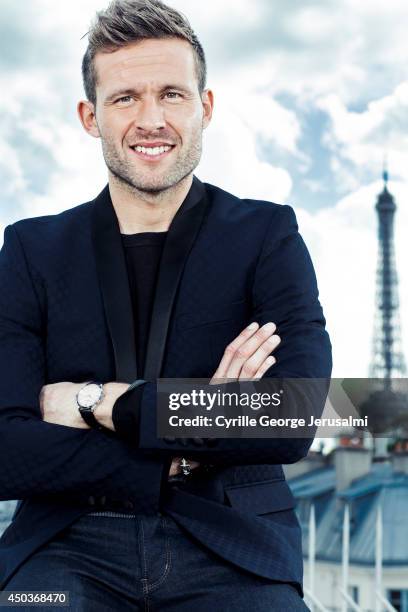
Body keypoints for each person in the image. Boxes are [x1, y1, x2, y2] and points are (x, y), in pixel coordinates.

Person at [0, 0, 332, 609]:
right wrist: (185, 437)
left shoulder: (267, 235)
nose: (151, 119)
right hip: (65, 546)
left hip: (232, 545)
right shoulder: (30, 248)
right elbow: (5, 447)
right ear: (89, 116)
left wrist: (102, 402)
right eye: (125, 98)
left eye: (172, 94)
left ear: (204, 107)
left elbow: (293, 413)